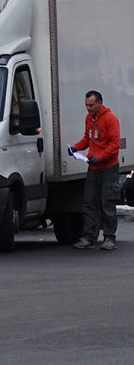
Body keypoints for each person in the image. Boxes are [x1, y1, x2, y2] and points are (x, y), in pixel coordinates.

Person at [68, 89, 122, 249]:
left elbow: (114, 144)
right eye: (86, 105)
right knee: (89, 202)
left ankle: (109, 238)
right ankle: (88, 237)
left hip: (108, 167)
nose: (88, 108)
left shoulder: (110, 119)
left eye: (91, 105)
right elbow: (87, 138)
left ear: (99, 103)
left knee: (107, 203)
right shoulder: (89, 118)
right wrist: (75, 148)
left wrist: (100, 157)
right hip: (94, 167)